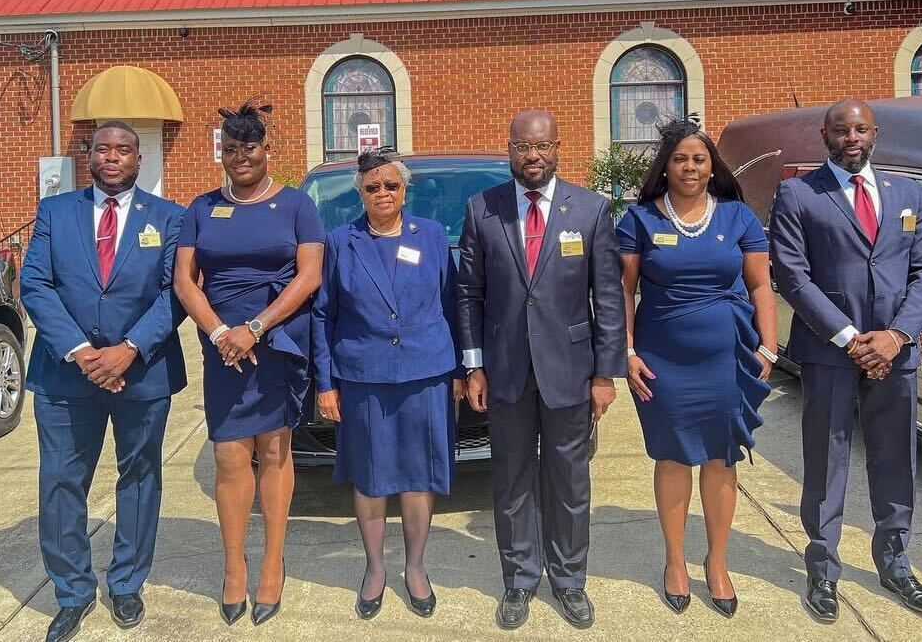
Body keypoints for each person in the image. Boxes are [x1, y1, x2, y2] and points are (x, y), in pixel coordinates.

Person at [769, 99, 922, 622]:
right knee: (826, 461)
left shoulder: (908, 193)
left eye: (860, 128)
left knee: (895, 461)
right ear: (824, 133)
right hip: (829, 353)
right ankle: (822, 567)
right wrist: (850, 339)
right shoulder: (799, 193)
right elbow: (792, 275)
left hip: (896, 354)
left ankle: (895, 561)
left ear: (875, 133)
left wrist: (897, 336)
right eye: (841, 129)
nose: (852, 137)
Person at [456, 109, 626, 631]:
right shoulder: (482, 208)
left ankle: (570, 579)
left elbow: (608, 297)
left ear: (557, 148)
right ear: (510, 150)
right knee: (511, 479)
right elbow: (468, 294)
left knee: (569, 480)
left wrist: (604, 374)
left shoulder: (592, 210)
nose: (533, 157)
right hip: (504, 370)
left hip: (571, 371)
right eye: (522, 148)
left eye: (542, 147)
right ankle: (520, 579)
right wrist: (473, 366)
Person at [21, 120, 187, 642]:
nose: (112, 157)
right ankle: (71, 592)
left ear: (139, 161)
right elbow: (36, 284)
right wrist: (84, 353)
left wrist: (128, 349)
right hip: (66, 374)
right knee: (61, 483)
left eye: (123, 150)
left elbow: (175, 293)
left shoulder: (170, 217)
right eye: (102, 149)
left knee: (139, 478)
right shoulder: (55, 212)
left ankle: (126, 582)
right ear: (88, 157)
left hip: (142, 372)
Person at [173, 100, 324, 627]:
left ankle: (271, 562)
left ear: (267, 149)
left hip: (277, 341)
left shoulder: (297, 204)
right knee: (231, 457)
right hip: (223, 349)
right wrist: (219, 332)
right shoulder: (201, 207)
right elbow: (184, 281)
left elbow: (308, 277)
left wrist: (255, 328)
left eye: (250, 148)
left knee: (275, 453)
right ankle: (233, 565)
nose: (241, 158)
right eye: (231, 149)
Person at [617, 119, 776, 619]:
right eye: (680, 158)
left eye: (699, 158)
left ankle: (717, 561)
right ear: (665, 166)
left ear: (712, 168)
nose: (689, 166)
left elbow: (760, 287)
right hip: (662, 359)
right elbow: (623, 291)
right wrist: (626, 352)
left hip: (727, 355)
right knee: (671, 457)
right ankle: (674, 560)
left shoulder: (738, 217)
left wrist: (768, 348)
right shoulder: (639, 219)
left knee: (720, 458)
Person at [311, 148, 465, 621]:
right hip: (364, 376)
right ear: (360, 192)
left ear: (404, 190)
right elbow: (323, 314)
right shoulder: (340, 241)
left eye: (391, 185)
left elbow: (453, 303)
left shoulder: (433, 236)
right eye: (372, 187)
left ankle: (416, 568)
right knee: (372, 476)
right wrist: (325, 382)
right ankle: (375, 567)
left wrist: (460, 368)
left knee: (419, 474)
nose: (382, 193)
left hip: (425, 373)